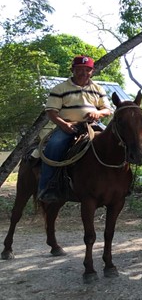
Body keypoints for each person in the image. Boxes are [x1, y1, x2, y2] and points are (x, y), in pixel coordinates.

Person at [38, 55, 114, 202]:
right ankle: (47, 187)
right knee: (54, 146)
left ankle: (120, 183)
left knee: (116, 141)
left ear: (92, 71)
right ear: (72, 70)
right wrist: (64, 125)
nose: (83, 73)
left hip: (93, 125)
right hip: (69, 126)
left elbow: (107, 109)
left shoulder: (98, 88)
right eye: (79, 69)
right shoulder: (60, 88)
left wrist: (98, 113)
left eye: (87, 70)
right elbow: (51, 112)